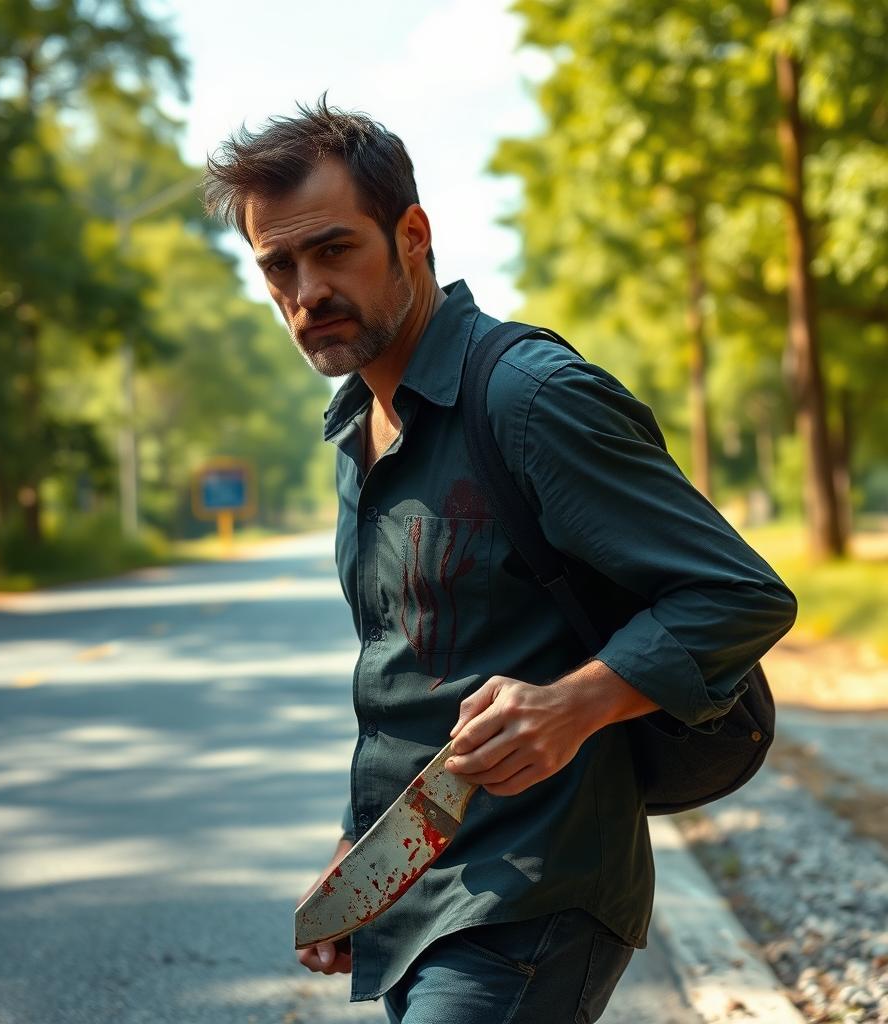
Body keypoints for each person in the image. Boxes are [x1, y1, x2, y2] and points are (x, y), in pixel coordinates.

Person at [202, 96, 798, 1024]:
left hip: (536, 890)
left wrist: (573, 704)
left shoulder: (528, 397)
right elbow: (419, 675)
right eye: (277, 265)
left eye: (333, 250)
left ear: (411, 234)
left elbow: (738, 592)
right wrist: (365, 855)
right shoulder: (360, 431)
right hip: (422, 888)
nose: (305, 290)